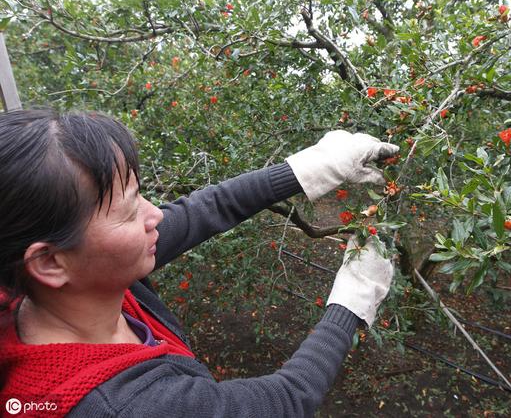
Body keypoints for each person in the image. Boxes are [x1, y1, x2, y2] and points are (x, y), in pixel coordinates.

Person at [0, 109, 399, 417]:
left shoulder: (82, 282)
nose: (154, 215)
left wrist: (313, 166)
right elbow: (286, 401)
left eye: (141, 194)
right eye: (127, 211)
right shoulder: (126, 407)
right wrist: (352, 301)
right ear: (49, 262)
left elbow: (205, 209)